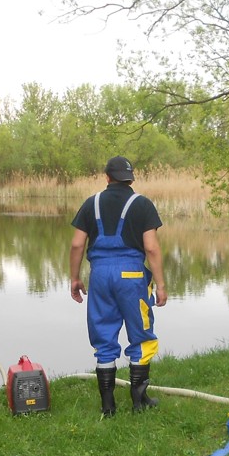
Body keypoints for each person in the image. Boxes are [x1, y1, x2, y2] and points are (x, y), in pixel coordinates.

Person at [69, 155, 168, 416]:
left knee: (104, 338)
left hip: (100, 276)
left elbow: (77, 244)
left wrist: (75, 278)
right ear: (130, 179)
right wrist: (160, 284)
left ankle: (108, 406)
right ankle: (139, 401)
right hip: (132, 278)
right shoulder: (143, 205)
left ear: (107, 177)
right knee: (141, 336)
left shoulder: (92, 204)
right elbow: (151, 247)